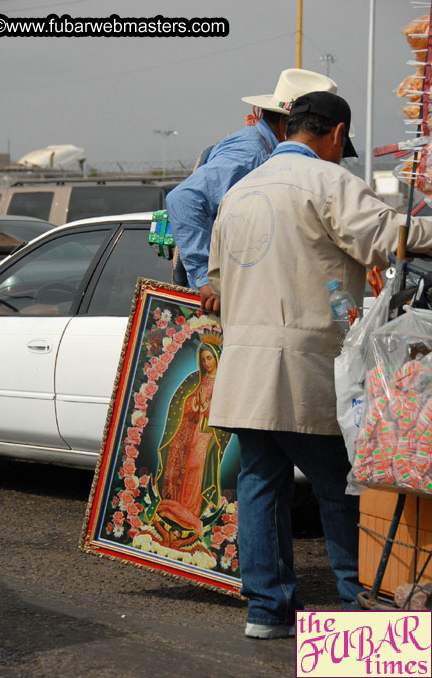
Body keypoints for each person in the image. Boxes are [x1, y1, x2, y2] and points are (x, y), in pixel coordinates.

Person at [207, 90, 432, 639]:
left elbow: (215, 279)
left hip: (244, 368)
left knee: (262, 484)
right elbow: (387, 239)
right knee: (342, 484)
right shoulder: (328, 183)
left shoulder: (240, 191)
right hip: (303, 366)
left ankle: (267, 612)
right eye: (341, 145)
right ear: (334, 134)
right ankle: (356, 609)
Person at [165, 68, 338, 312]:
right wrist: (206, 279)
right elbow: (183, 200)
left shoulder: (262, 149)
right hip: (221, 303)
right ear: (285, 124)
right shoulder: (252, 154)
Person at [144, 332, 231, 555]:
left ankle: (191, 511)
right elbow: (181, 404)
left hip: (207, 435)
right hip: (188, 431)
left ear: (217, 358)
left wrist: (207, 408)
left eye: (209, 358)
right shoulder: (195, 379)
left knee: (196, 469)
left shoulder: (225, 383)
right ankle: (176, 506)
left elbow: (226, 410)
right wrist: (195, 403)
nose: (205, 363)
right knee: (181, 469)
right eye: (203, 359)